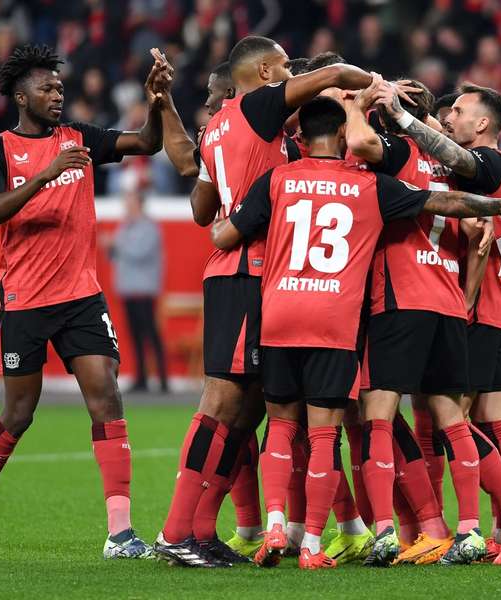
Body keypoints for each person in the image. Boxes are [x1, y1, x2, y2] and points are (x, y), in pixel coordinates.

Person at [210, 95, 501, 569]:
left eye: (458, 112)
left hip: (367, 305)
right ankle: (472, 527)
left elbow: (224, 233)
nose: (450, 119)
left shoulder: (366, 166)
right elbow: (463, 217)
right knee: (454, 418)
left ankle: (381, 530)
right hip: (448, 303)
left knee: (358, 418)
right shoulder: (440, 173)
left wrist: (362, 103)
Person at [154, 36, 386, 568]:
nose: (288, 74)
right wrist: (374, 87)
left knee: (251, 407)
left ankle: (202, 530)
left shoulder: (219, 128)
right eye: (284, 67)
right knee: (221, 403)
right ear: (264, 71)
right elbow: (336, 73)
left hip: (255, 276)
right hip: (246, 271)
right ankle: (176, 533)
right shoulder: (258, 106)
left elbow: (200, 207)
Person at [0, 44, 169, 560]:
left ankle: (120, 533)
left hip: (81, 297)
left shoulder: (80, 139)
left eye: (59, 89)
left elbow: (147, 144)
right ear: (21, 96)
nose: (56, 94)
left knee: (106, 395)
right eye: (46, 88)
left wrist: (157, 101)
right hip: (24, 300)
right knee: (19, 414)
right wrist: (45, 175)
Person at [374, 83, 501, 564]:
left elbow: (455, 160)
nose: (451, 115)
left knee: (455, 417)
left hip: (475, 305)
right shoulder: (494, 169)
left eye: (459, 110)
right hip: (490, 306)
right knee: (479, 418)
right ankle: (490, 526)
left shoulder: (489, 163)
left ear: (483, 124)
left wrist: (405, 119)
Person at [103, 187, 168, 393]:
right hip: (128, 289)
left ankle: (162, 379)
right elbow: (117, 256)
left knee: (151, 334)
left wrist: (115, 243)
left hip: (144, 290)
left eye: (130, 203)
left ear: (139, 204)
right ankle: (142, 378)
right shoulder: (126, 227)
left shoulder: (149, 227)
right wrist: (111, 248)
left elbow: (139, 252)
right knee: (135, 336)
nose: (127, 207)